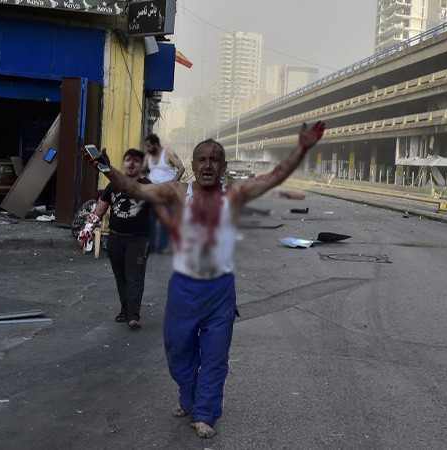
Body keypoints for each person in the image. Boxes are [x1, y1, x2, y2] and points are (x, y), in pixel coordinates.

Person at [88, 122, 326, 439]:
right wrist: (105, 167)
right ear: (194, 164)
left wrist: (303, 147)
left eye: (215, 160)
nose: (208, 165)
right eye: (202, 159)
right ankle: (188, 396)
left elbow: (274, 176)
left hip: (220, 291)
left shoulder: (234, 194)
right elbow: (135, 189)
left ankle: (204, 411)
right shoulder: (177, 192)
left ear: (223, 167)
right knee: (177, 352)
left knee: (215, 357)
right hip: (184, 290)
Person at [79, 149, 154, 329]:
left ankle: (133, 316)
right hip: (116, 239)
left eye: (136, 161)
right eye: (128, 161)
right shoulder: (112, 187)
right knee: (121, 277)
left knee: (134, 277)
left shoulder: (147, 186)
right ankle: (125, 310)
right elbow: (99, 211)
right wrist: (88, 228)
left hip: (139, 241)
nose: (131, 164)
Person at [144, 134, 185, 253]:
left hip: (167, 193)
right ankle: (151, 245)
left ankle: (162, 246)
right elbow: (143, 170)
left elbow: (181, 168)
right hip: (153, 192)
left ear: (155, 144)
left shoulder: (168, 153)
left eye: (149, 146)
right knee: (151, 218)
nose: (147, 148)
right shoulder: (148, 157)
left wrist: (174, 182)